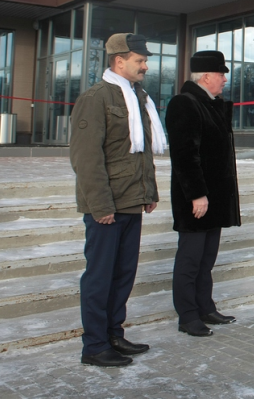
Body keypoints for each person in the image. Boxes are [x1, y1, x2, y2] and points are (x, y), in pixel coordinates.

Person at [70, 33, 165, 367]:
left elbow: (139, 154)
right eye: (140, 60)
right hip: (106, 206)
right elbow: (86, 157)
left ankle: (113, 333)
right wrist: (100, 205)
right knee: (99, 277)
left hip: (130, 201)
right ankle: (94, 346)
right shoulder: (96, 98)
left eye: (145, 60)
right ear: (119, 60)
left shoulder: (137, 96)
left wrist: (149, 192)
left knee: (123, 274)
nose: (145, 65)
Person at [165, 50, 242, 338]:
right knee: (190, 259)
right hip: (196, 200)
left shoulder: (212, 104)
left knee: (207, 258)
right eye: (221, 74)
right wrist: (197, 194)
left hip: (215, 199)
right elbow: (185, 156)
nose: (224, 79)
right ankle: (187, 315)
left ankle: (205, 306)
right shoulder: (184, 104)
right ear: (206, 76)